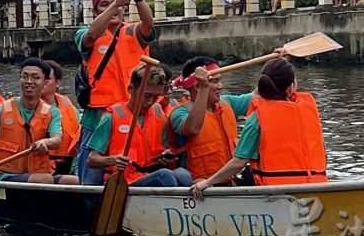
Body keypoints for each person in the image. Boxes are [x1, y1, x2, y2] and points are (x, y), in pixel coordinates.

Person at [189, 58, 327, 199]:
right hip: (315, 187)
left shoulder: (258, 117)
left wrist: (207, 182)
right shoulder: (309, 111)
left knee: (249, 172)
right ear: (291, 88)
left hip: (275, 193)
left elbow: (238, 162)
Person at [75, 0, 155, 185]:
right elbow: (91, 35)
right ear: (95, 11)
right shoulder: (85, 33)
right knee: (90, 179)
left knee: (131, 165)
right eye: (104, 5)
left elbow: (149, 24)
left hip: (130, 111)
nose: (113, 8)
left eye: (116, 4)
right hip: (98, 114)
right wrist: (115, 5)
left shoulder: (133, 31)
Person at [0, 58, 77, 184]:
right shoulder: (2, 110)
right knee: (45, 179)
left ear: (44, 83)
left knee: (75, 181)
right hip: (6, 176)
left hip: (39, 173)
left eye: (35, 77)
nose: (29, 81)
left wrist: (46, 142)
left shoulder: (52, 112)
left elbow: (56, 140)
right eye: (25, 77)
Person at [87, 65, 191, 188]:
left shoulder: (158, 113)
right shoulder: (112, 117)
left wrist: (166, 156)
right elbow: (92, 159)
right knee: (165, 176)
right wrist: (114, 160)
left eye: (155, 97)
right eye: (146, 96)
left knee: (183, 175)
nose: (150, 102)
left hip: (152, 173)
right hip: (126, 181)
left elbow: (165, 148)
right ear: (131, 89)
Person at [168, 58, 257, 185]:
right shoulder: (179, 113)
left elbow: (259, 95)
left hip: (228, 181)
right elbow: (192, 129)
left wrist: (275, 65)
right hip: (198, 187)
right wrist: (204, 89)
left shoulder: (226, 102)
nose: (220, 86)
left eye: (220, 80)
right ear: (198, 86)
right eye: (215, 81)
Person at [43, 60, 81, 175]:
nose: (41, 82)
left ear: (58, 82)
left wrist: (75, 168)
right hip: (39, 168)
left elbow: (78, 139)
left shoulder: (70, 108)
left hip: (66, 165)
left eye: (47, 79)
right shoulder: (27, 108)